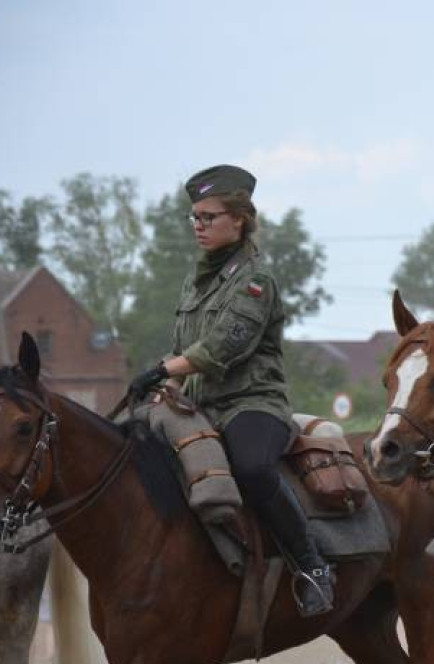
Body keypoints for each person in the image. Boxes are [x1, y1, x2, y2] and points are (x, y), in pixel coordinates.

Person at [128, 164, 333, 618]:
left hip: (252, 403)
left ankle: (312, 564)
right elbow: (185, 349)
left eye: (209, 217)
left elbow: (222, 347)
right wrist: (163, 387)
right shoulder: (195, 280)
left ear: (238, 220)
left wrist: (161, 369)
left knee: (253, 468)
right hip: (199, 405)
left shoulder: (255, 280)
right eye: (194, 218)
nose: (198, 226)